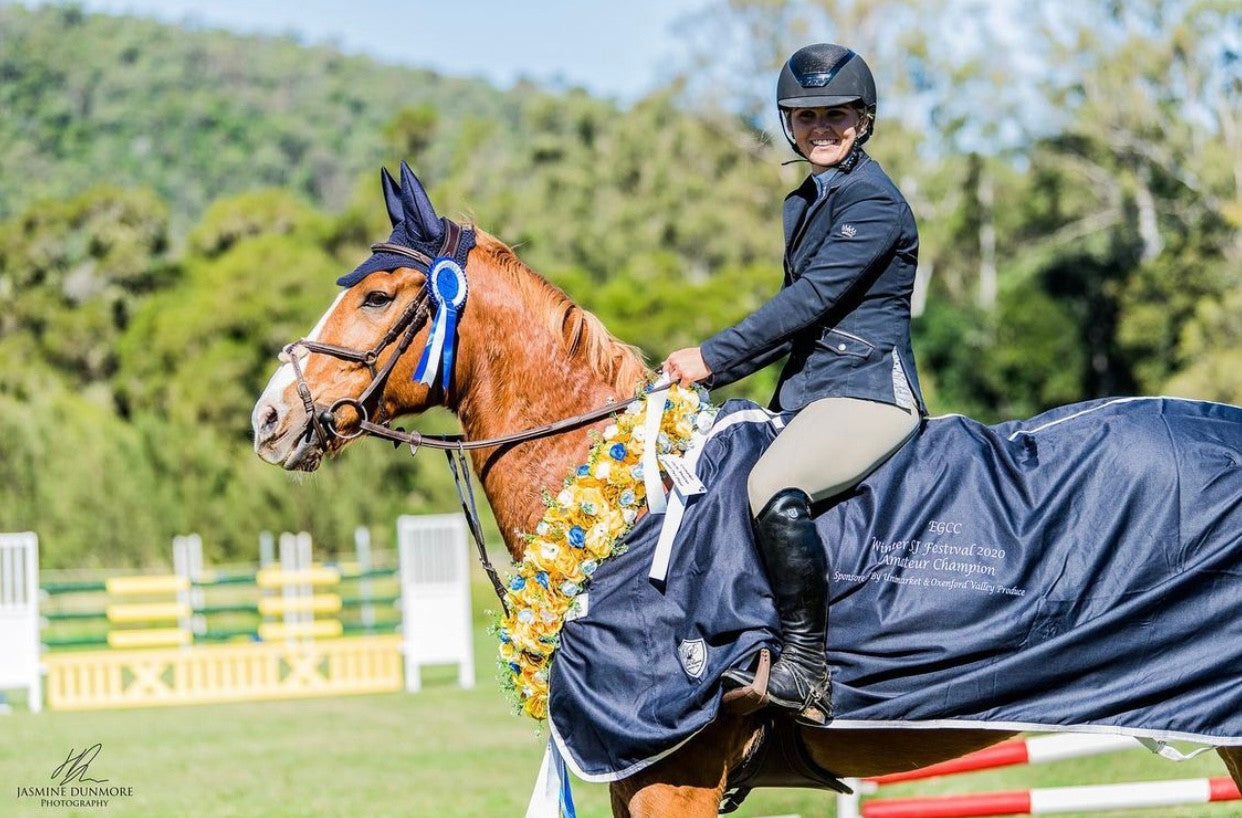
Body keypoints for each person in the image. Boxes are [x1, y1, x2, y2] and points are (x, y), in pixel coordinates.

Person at [660, 42, 927, 725]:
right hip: (811, 392)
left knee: (769, 488)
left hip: (869, 391)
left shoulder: (873, 202)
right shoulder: (808, 199)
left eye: (836, 114)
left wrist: (712, 357)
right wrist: (707, 382)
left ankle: (807, 669)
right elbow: (791, 331)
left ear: (863, 120)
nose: (820, 128)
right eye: (805, 116)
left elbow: (806, 304)